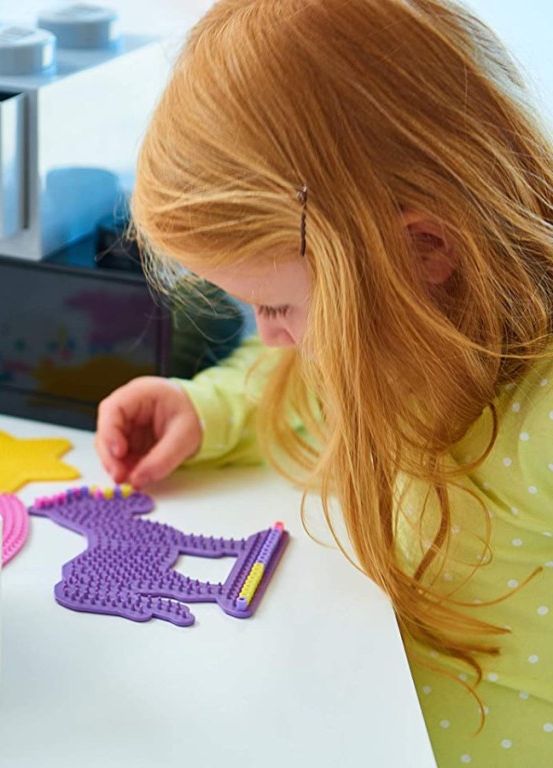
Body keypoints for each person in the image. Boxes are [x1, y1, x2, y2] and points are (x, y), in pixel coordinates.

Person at [95, 1, 553, 764]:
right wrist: (205, 409)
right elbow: (298, 386)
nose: (270, 336)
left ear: (424, 253)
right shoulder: (394, 345)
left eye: (276, 305)